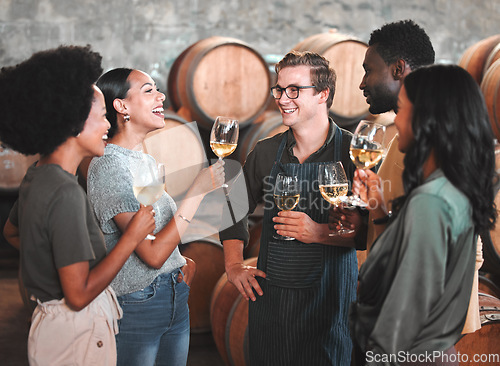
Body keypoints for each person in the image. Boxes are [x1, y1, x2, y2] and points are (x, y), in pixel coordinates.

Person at [0, 46, 156, 365]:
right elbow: (78, 294)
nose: (107, 127)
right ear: (73, 123)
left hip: (47, 322)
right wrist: (131, 237)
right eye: (101, 117)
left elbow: (12, 233)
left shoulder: (38, 175)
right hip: (76, 332)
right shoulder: (65, 193)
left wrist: (48, 265)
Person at [220, 51, 361, 366]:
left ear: (323, 94)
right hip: (273, 306)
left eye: (295, 90)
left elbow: (371, 227)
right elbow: (233, 205)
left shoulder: (353, 154)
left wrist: (319, 232)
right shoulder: (267, 151)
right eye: (279, 90)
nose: (283, 99)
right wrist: (233, 265)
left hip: (330, 304)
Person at [350, 64, 497, 366]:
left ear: (426, 119)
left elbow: (402, 316)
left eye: (401, 109)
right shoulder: (453, 189)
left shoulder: (430, 202)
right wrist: (378, 210)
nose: (395, 119)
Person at [86, 68, 225, 366]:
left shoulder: (145, 160)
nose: (161, 96)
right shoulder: (109, 167)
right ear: (121, 106)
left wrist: (181, 260)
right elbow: (151, 255)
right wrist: (197, 193)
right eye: (149, 90)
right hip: (138, 302)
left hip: (173, 295)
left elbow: (157, 232)